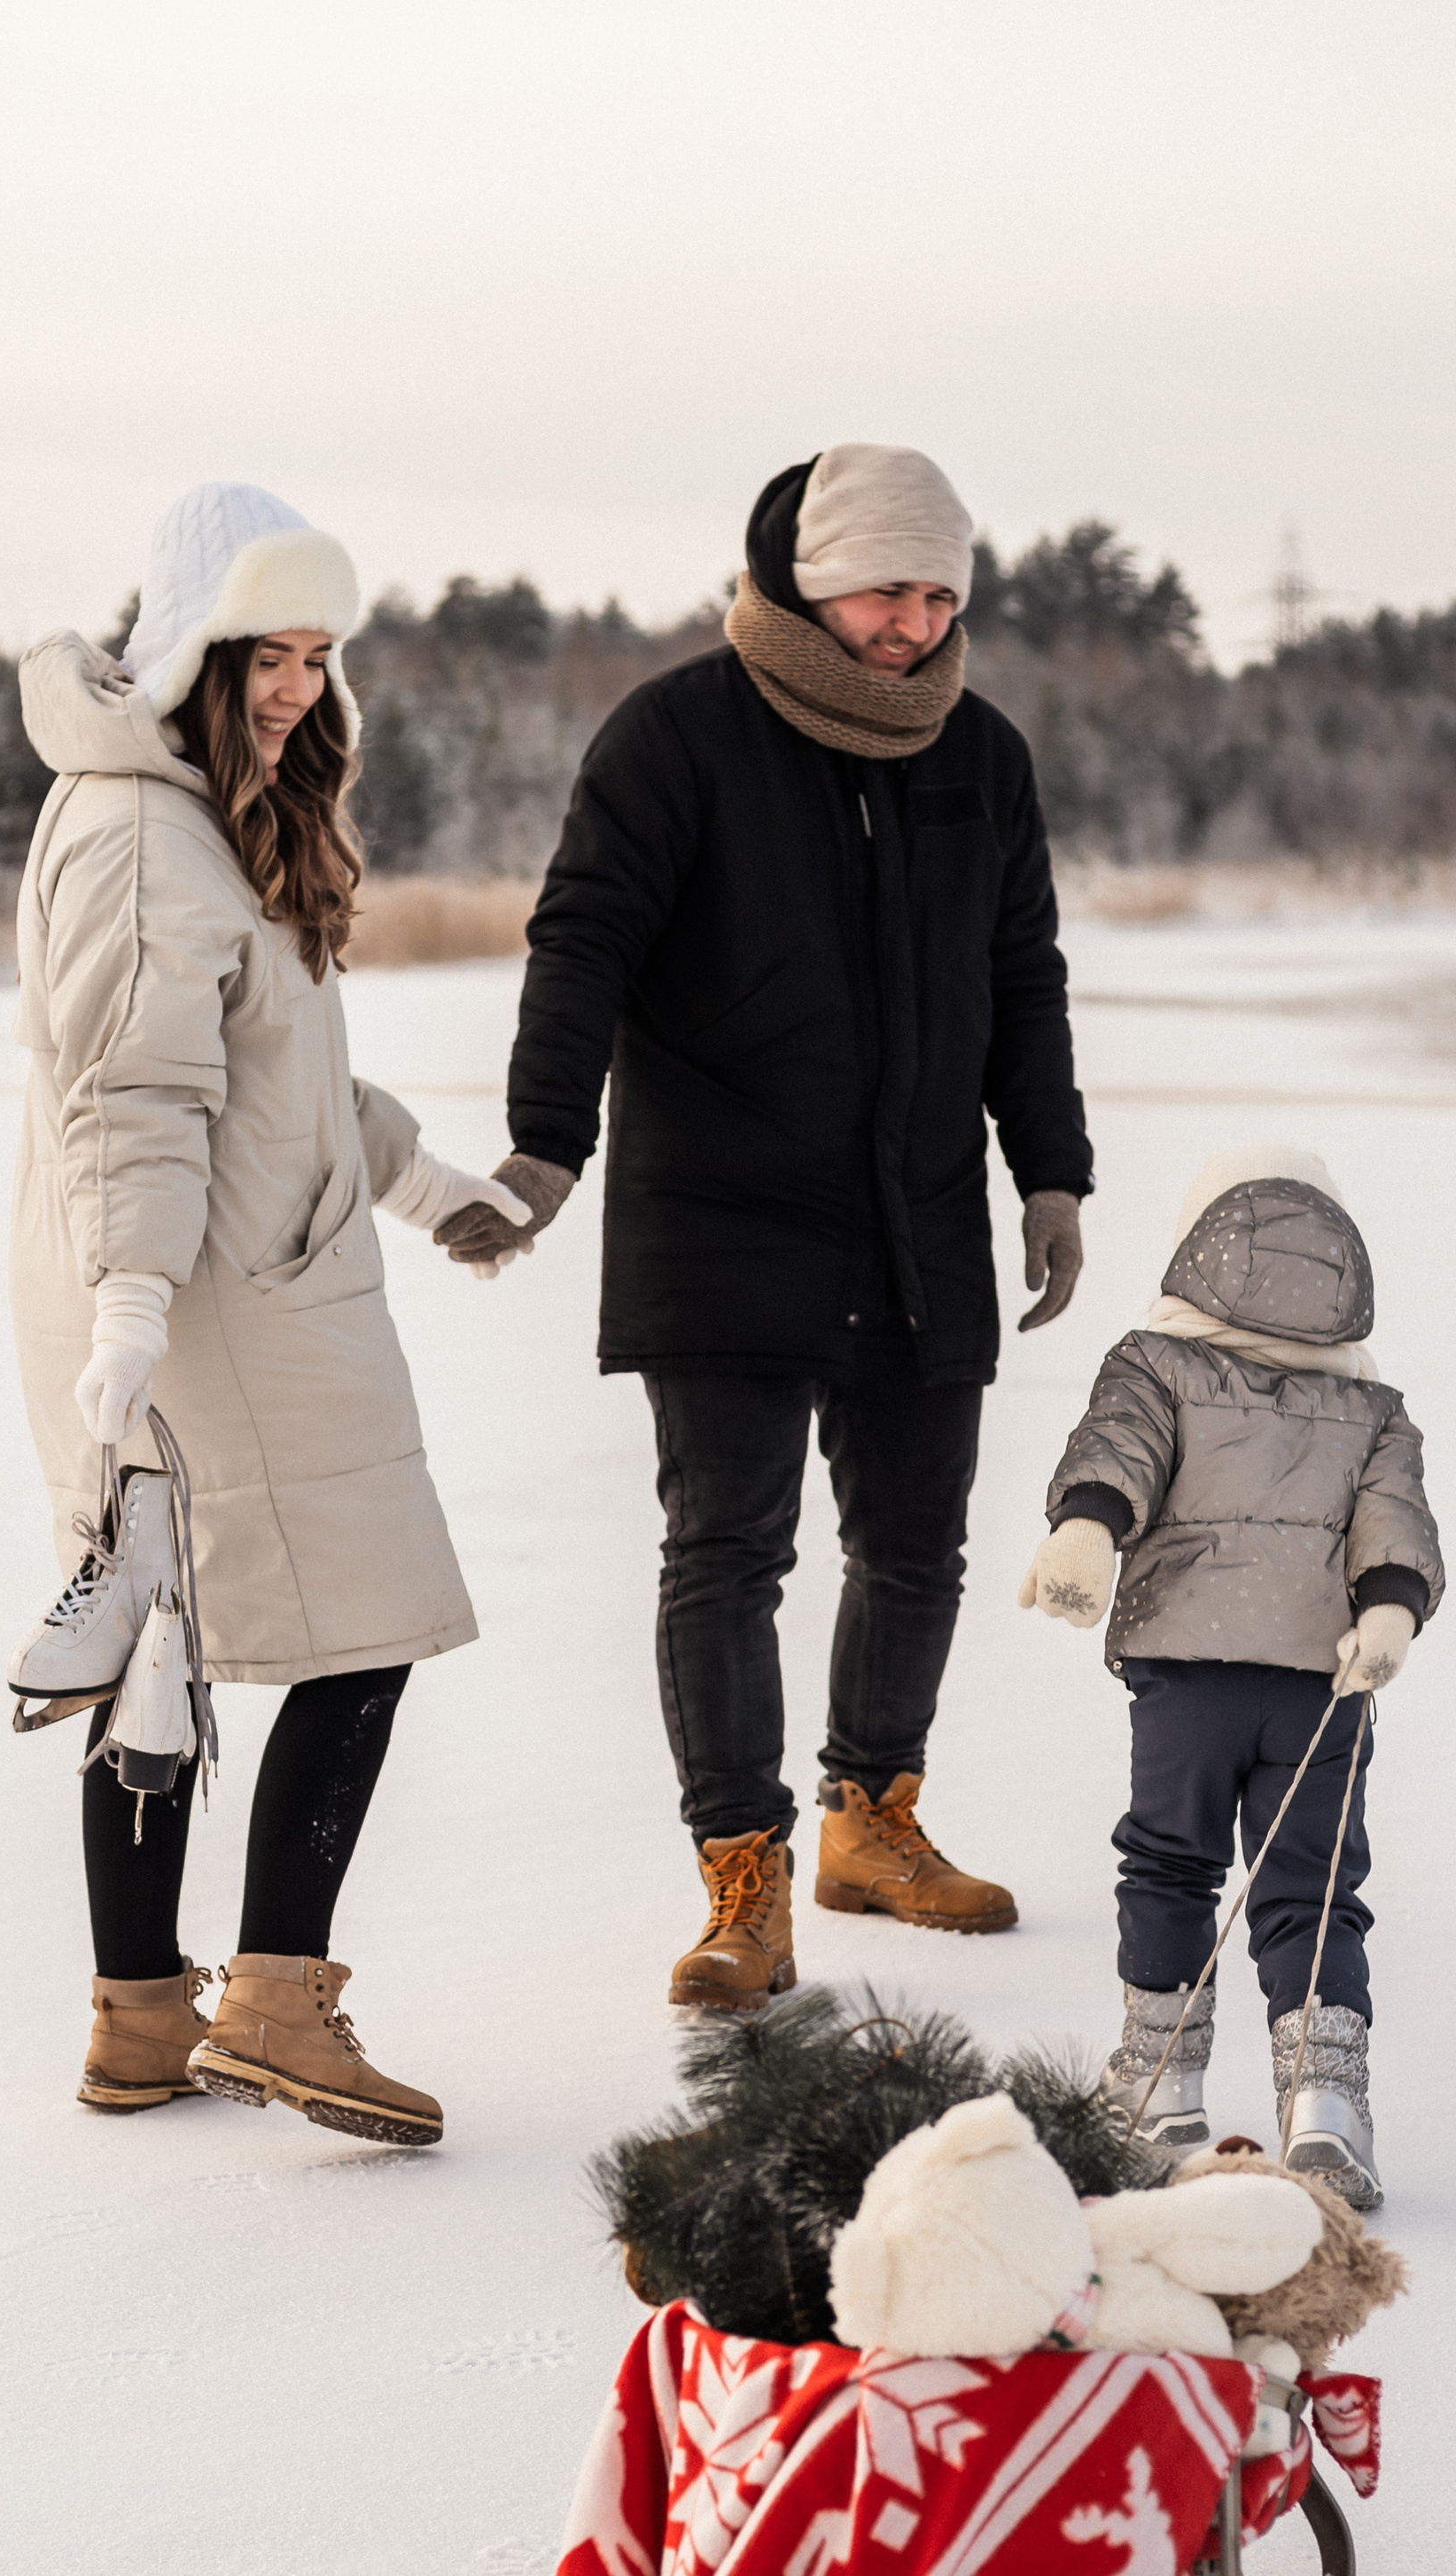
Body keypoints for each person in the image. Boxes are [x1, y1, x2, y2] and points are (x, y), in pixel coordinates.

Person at [436, 445, 1095, 2010]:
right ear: (809, 580)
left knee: (917, 1546)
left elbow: (1024, 977)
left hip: (914, 1209)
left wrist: (1050, 1170)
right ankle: (747, 1879)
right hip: (723, 1209)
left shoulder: (979, 757)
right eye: (887, 591)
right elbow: (580, 939)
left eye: (941, 596)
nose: (913, 626)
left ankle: (877, 1819)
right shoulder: (676, 737)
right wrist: (544, 1150)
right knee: (727, 1555)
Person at [8, 480, 529, 2142]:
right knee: (358, 1629)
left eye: (318, 652)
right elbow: (139, 1095)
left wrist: (430, 1182)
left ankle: (142, 2020)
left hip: (227, 1273)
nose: (300, 684)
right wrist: (138, 1301)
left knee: (164, 1631)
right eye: (269, 649)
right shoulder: (150, 832)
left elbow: (278, 1079)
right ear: (191, 641)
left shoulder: (194, 809)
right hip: (210, 1301)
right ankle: (280, 2003)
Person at [1019, 1145, 1445, 2212]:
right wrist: (1388, 1608)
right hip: (1323, 1687)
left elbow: (1118, 1452)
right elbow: (1392, 1523)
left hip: (1188, 1678)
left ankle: (1158, 2089)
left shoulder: (1152, 1365)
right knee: (1311, 1891)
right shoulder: (1374, 1408)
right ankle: (1327, 2111)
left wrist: (1083, 1531)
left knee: (1170, 1866)